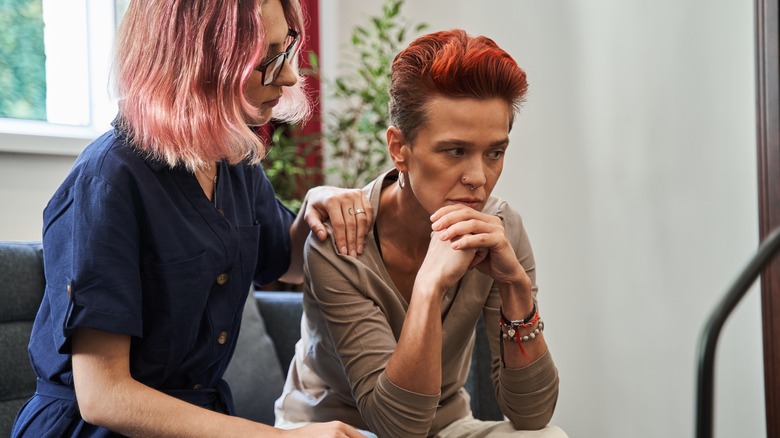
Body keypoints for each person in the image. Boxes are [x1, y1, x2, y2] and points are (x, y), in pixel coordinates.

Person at [11, 0, 370, 437]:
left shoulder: (232, 162)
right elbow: (103, 395)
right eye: (267, 58)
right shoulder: (108, 180)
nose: (290, 76)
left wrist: (319, 201)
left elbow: (289, 263)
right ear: (201, 61)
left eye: (286, 51)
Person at [274, 29, 567, 437]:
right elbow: (397, 426)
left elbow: (532, 415)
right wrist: (429, 286)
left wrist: (515, 286)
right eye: (455, 151)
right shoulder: (340, 237)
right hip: (334, 429)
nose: (478, 178)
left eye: (495, 153)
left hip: (444, 426)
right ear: (399, 149)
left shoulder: (500, 228)